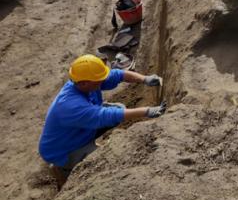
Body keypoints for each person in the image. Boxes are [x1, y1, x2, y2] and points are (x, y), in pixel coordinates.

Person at [39, 54, 167, 188]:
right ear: (84, 83)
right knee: (100, 160)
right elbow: (105, 115)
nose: (103, 80)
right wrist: (147, 111)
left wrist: (145, 79)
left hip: (77, 131)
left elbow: (117, 75)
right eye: (99, 80)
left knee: (120, 109)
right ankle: (67, 177)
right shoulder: (70, 106)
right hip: (64, 149)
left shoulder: (85, 82)